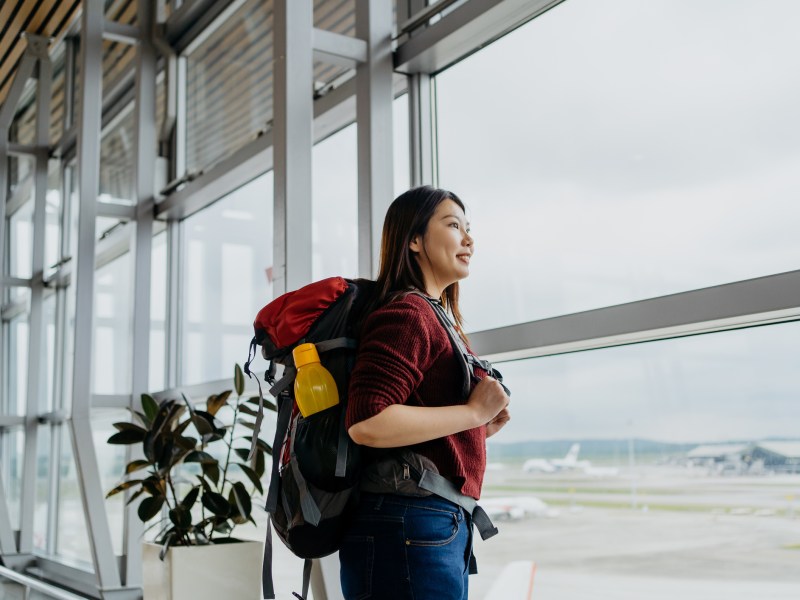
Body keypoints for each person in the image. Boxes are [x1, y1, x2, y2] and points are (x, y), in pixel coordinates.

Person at [339, 185, 511, 600]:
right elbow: (367, 423)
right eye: (454, 225)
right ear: (413, 240)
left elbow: (411, 428)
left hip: (425, 521)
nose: (469, 239)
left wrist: (478, 427)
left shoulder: (436, 316)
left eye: (469, 228)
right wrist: (471, 414)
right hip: (409, 522)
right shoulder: (408, 314)